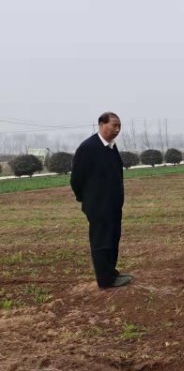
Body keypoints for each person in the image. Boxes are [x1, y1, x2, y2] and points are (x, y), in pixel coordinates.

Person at [70, 112, 132, 289]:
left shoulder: (111, 147)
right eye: (114, 125)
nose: (117, 129)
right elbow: (76, 179)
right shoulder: (88, 148)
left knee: (113, 239)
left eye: (119, 126)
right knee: (101, 242)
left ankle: (111, 272)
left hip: (113, 206)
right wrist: (86, 200)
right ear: (101, 124)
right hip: (98, 207)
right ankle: (105, 280)